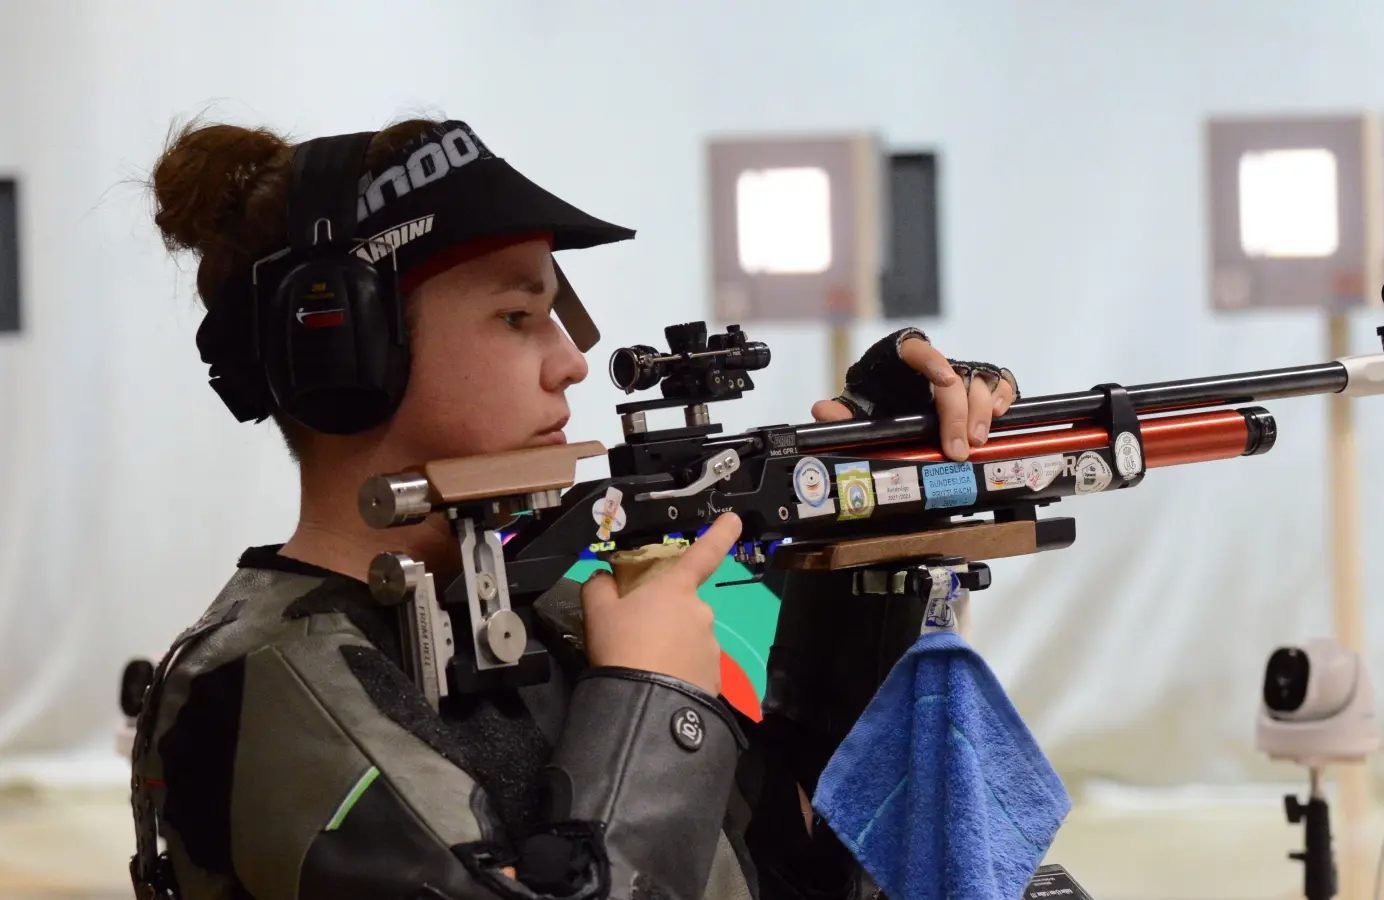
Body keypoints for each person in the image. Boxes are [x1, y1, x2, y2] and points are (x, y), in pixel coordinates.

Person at [130, 115, 1019, 900]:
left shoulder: (548, 608)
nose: (571, 362)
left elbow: (795, 866)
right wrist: (651, 698)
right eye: (519, 316)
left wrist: (870, 522)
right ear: (347, 349)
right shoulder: (259, 689)